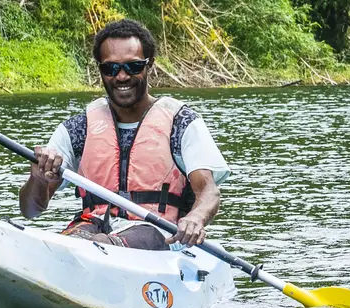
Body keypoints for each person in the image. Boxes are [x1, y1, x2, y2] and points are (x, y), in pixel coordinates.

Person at [19, 18, 227, 249]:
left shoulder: (182, 123)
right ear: (100, 70)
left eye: (133, 66)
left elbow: (209, 191)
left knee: (101, 244)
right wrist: (37, 179)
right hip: (93, 225)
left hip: (159, 232)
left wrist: (196, 218)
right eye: (111, 68)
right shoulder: (77, 130)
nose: (121, 76)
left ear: (150, 66)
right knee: (71, 242)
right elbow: (31, 211)